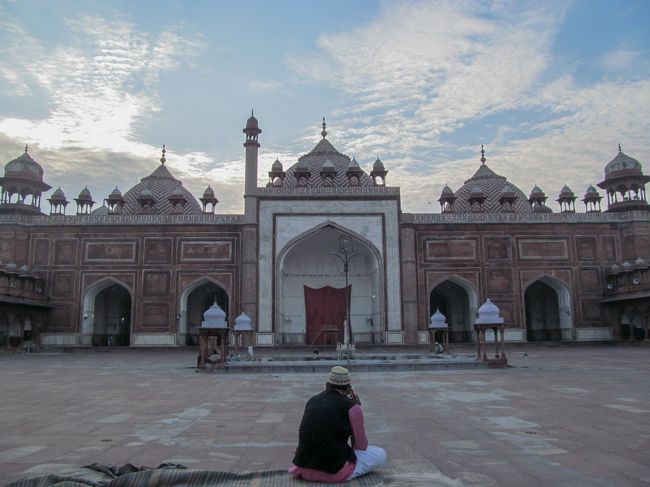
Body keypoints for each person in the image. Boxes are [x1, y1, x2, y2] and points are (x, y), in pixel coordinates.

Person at [289, 366, 387, 483]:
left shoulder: (312, 400)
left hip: (303, 467)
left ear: (327, 385)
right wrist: (356, 409)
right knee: (380, 454)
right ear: (348, 388)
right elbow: (361, 446)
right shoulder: (352, 407)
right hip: (335, 472)